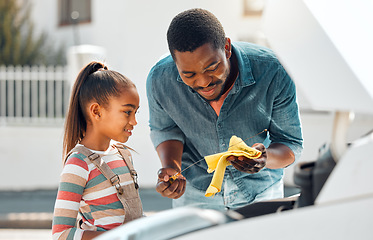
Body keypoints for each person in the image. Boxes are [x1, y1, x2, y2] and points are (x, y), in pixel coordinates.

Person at [146, 8, 303, 211]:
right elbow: (166, 130)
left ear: (227, 48)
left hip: (261, 193)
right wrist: (172, 168)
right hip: (195, 195)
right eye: (189, 74)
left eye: (212, 68)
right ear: (175, 64)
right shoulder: (160, 79)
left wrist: (265, 159)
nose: (203, 82)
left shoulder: (274, 71)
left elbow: (290, 143)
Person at [52, 61, 143, 240]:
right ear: (96, 111)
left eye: (135, 113)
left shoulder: (124, 155)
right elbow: (61, 234)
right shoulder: (78, 164)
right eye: (127, 112)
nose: (134, 121)